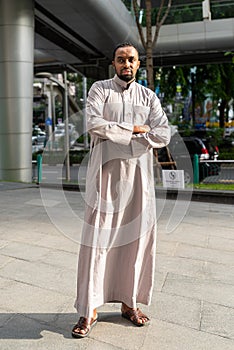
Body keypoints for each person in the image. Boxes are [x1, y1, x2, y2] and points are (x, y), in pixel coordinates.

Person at [72, 42, 171, 338]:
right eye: (120, 60)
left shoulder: (148, 96)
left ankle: (129, 304)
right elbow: (93, 123)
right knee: (97, 239)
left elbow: (163, 132)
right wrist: (137, 130)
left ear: (138, 64)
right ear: (113, 64)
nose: (126, 64)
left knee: (137, 240)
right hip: (105, 176)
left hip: (139, 179)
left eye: (131, 59)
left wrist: (124, 133)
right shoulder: (99, 90)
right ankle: (88, 310)